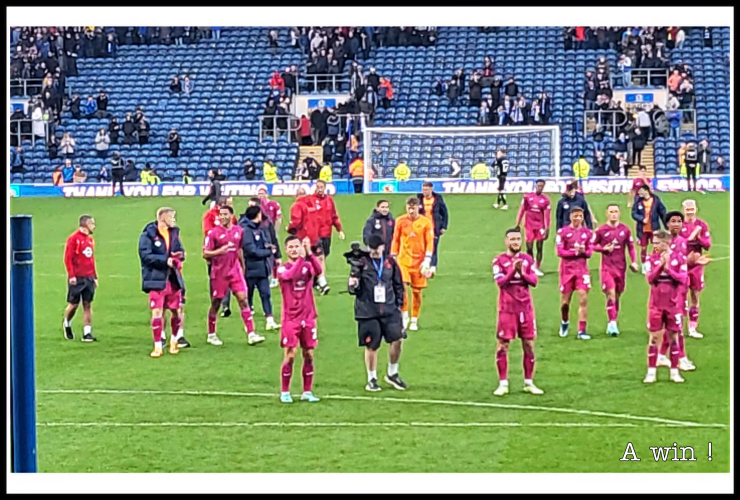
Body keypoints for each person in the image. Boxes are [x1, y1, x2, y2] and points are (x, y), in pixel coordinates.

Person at [348, 234, 407, 392]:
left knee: (397, 339)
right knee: (372, 345)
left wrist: (400, 306)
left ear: (383, 247)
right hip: (368, 311)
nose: (374, 251)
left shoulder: (390, 263)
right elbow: (352, 289)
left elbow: (398, 284)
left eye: (377, 248)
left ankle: (392, 373)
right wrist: (353, 283)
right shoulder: (361, 263)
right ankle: (372, 378)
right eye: (371, 249)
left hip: (389, 309)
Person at [202, 205, 265, 347]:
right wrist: (219, 251)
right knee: (216, 303)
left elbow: (239, 249)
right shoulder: (213, 233)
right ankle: (211, 334)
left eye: (225, 214)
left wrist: (242, 266)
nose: (223, 217)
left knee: (243, 299)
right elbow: (205, 253)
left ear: (232, 216)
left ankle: (251, 334)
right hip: (219, 273)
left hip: (235, 271)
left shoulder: (239, 231)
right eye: (221, 214)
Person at [491, 228, 543, 397]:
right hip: (507, 309)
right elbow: (501, 283)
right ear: (506, 241)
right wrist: (513, 271)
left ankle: (528, 382)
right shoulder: (499, 261)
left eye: (518, 239)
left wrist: (522, 273)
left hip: (525, 308)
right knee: (503, 345)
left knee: (528, 344)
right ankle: (503, 383)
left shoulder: (527, 260)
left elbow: (534, 281)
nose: (515, 242)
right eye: (512, 239)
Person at [276, 236, 323, 403]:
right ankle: (285, 391)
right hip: (291, 318)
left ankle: (307, 391)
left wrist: (309, 253)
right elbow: (290, 275)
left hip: (308, 316)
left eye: (297, 246)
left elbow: (318, 270)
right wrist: (302, 258)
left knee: (309, 354)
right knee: (290, 354)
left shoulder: (307, 266)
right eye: (291, 247)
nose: (294, 249)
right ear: (286, 250)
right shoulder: (282, 269)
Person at [137, 207, 189, 357]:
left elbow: (180, 251)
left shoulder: (174, 233)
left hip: (173, 279)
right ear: (163, 218)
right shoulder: (148, 235)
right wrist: (166, 261)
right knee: (157, 312)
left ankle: (174, 341)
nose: (174, 220)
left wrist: (180, 256)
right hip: (156, 279)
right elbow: (145, 256)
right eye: (172, 217)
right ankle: (158, 345)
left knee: (176, 311)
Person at [643, 229, 688, 384]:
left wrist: (669, 270)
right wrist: (660, 267)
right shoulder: (651, 258)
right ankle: (651, 372)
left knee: (673, 337)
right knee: (654, 338)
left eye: (657, 242)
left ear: (666, 242)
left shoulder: (679, 258)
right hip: (655, 305)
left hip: (673, 304)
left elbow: (682, 279)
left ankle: (674, 372)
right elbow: (650, 279)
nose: (654, 245)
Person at [656, 211, 696, 372]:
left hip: (681, 288)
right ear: (667, 224)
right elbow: (659, 265)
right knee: (676, 325)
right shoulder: (662, 243)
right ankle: (681, 358)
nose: (676, 224)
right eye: (673, 221)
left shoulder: (682, 242)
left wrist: (692, 262)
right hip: (668, 291)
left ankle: (661, 356)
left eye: (679, 221)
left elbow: (680, 264)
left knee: (675, 324)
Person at [591, 204, 640, 336]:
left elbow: (631, 247)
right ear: (607, 214)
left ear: (619, 213)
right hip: (607, 268)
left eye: (616, 211)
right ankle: (612, 323)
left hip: (621, 267)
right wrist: (603, 249)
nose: (614, 214)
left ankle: (612, 320)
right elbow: (591, 246)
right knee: (611, 294)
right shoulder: (601, 230)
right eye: (611, 212)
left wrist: (634, 262)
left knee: (617, 295)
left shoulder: (625, 229)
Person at [391, 197, 434, 332]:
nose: (411, 211)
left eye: (413, 208)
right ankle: (404, 317)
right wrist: (393, 255)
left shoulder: (425, 222)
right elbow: (395, 239)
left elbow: (429, 242)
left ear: (418, 208)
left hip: (419, 262)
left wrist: (427, 259)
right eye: (409, 208)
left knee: (416, 292)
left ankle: (414, 319)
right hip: (403, 260)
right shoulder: (400, 221)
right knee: (402, 288)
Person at [239, 205, 280, 331]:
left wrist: (268, 246)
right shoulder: (247, 231)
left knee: (265, 294)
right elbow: (251, 250)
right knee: (248, 295)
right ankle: (249, 324)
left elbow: (262, 244)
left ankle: (270, 320)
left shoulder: (258, 229)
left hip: (262, 269)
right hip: (250, 269)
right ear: (257, 215)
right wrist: (268, 252)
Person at [555, 207, 593, 340]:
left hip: (582, 270)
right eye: (575, 215)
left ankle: (582, 330)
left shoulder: (588, 233)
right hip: (567, 270)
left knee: (583, 299)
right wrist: (575, 253)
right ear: (570, 217)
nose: (577, 218)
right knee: (565, 302)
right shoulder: (562, 232)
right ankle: (564, 321)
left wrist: (583, 252)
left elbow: (590, 253)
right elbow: (560, 252)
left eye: (580, 216)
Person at [679, 200, 712, 339]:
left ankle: (692, 327)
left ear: (696, 209)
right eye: (688, 210)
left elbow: (707, 245)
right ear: (683, 210)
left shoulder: (701, 225)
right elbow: (677, 245)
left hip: (696, 266)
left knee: (695, 296)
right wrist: (691, 237)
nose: (690, 212)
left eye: (692, 209)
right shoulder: (678, 225)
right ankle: (678, 327)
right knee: (680, 296)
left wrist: (698, 237)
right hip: (681, 265)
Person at [63, 215, 98, 342]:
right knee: (74, 304)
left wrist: (95, 276)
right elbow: (68, 258)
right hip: (77, 277)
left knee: (87, 304)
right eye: (92, 224)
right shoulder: (73, 239)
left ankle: (87, 333)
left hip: (89, 277)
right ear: (85, 225)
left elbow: (91, 260)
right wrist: (72, 275)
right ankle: (67, 322)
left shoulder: (90, 240)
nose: (94, 226)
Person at [287, 187, 329, 295]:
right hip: (315, 236)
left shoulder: (297, 206)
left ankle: (300, 281)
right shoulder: (313, 203)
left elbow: (296, 221)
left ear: (296, 195)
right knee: (319, 258)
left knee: (300, 259)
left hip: (303, 237)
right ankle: (322, 282)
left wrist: (290, 229)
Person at [202, 196, 238, 316]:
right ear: (222, 204)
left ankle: (225, 305)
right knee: (214, 278)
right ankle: (215, 302)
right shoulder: (210, 215)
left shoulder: (231, 216)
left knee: (227, 276)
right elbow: (207, 232)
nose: (231, 206)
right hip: (214, 251)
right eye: (229, 203)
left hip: (228, 252)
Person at [310, 179, 346, 287]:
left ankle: (315, 277)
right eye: (318, 187)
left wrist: (339, 230)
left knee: (324, 255)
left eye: (321, 187)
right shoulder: (311, 200)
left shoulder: (329, 200)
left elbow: (334, 216)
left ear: (325, 188)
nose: (319, 189)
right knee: (319, 257)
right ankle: (320, 280)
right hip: (316, 234)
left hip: (327, 233)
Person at [515, 179, 551, 277]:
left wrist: (547, 228)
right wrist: (517, 223)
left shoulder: (545, 200)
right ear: (535, 186)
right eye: (538, 185)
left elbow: (547, 215)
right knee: (529, 247)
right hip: (529, 225)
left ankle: (537, 266)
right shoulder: (527, 197)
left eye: (541, 186)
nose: (540, 187)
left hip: (540, 226)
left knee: (539, 247)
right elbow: (522, 210)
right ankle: (531, 265)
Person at [631, 184, 667, 273]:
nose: (639, 193)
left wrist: (667, 226)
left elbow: (662, 213)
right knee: (643, 248)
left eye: (641, 191)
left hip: (654, 228)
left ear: (646, 191)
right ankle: (644, 265)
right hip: (642, 229)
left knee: (657, 247)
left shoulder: (656, 200)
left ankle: (654, 263)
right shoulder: (638, 201)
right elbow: (633, 214)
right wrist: (641, 219)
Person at [417, 181, 449, 276]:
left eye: (426, 190)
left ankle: (432, 267)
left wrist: (443, 226)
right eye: (423, 190)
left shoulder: (437, 199)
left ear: (431, 189)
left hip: (434, 228)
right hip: (421, 228)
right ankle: (422, 266)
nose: (424, 192)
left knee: (433, 248)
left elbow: (444, 213)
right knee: (421, 248)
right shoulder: (419, 199)